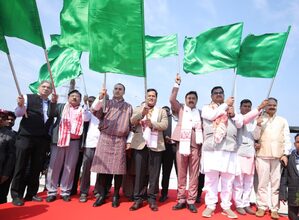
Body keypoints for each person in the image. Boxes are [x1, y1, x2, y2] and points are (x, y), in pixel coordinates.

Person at [201, 86, 243, 219]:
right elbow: (212, 116)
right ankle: (211, 205)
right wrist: (226, 105)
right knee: (211, 179)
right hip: (212, 148)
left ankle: (226, 206)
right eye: (215, 93)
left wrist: (234, 114)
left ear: (224, 95)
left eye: (221, 93)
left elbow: (240, 124)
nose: (218, 95)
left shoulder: (231, 109)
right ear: (211, 96)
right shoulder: (206, 108)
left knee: (228, 180)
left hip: (229, 148)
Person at [11, 80, 54, 206]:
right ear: (39, 88)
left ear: (51, 91)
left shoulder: (52, 104)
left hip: (41, 139)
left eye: (48, 87)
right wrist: (20, 106)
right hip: (25, 137)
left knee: (36, 168)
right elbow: (18, 113)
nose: (46, 89)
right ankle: (16, 195)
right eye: (44, 86)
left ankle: (31, 193)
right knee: (21, 166)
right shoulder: (27, 98)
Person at [91, 83, 133, 208]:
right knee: (104, 170)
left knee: (118, 170)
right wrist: (100, 98)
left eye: (120, 89)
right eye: (116, 89)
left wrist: (129, 140)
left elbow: (132, 126)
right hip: (105, 137)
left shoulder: (128, 107)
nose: (117, 91)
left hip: (120, 139)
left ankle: (116, 195)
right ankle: (103, 194)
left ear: (124, 92)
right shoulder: (106, 103)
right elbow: (94, 111)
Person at [129, 88, 168, 212]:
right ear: (145, 97)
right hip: (141, 144)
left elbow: (164, 125)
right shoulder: (138, 109)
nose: (151, 98)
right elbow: (132, 121)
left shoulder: (161, 111)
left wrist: (153, 124)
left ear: (156, 98)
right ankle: (138, 199)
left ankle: (152, 199)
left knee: (154, 174)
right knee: (139, 173)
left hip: (156, 145)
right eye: (149, 96)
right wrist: (142, 114)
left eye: (153, 96)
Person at [170, 74, 203, 213]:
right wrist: (177, 84)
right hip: (181, 146)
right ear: (185, 100)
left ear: (196, 101)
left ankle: (191, 200)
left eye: (193, 99)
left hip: (195, 147)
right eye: (189, 98)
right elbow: (171, 99)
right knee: (181, 174)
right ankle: (181, 199)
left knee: (194, 176)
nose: (191, 100)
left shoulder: (200, 113)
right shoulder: (181, 109)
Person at [255, 97, 292, 219]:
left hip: (277, 156)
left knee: (276, 184)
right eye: (269, 105)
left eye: (274, 105)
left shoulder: (282, 121)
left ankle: (274, 209)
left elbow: (287, 138)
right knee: (262, 184)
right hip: (262, 154)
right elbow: (254, 136)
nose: (272, 107)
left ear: (277, 106)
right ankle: (261, 207)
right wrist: (258, 125)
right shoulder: (259, 119)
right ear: (265, 106)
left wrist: (285, 154)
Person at [46, 90, 85, 202]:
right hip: (60, 140)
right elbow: (50, 113)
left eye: (77, 96)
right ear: (68, 97)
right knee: (54, 166)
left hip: (74, 141)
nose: (74, 98)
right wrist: (53, 102)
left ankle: (65, 191)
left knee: (70, 167)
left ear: (80, 99)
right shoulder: (61, 107)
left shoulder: (82, 110)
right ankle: (52, 192)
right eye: (72, 96)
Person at [232, 99, 268, 215]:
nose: (247, 108)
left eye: (249, 106)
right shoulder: (237, 118)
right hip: (238, 153)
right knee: (239, 181)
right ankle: (238, 204)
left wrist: (257, 125)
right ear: (240, 107)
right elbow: (241, 124)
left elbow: (256, 136)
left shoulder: (254, 120)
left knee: (249, 181)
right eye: (245, 106)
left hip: (250, 153)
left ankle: (246, 203)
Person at [79, 95, 100, 202]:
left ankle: (98, 191)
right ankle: (84, 191)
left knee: (101, 170)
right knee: (87, 168)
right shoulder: (90, 111)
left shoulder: (107, 112)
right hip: (90, 143)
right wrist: (86, 104)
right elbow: (85, 117)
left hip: (103, 144)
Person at [159, 105, 178, 203]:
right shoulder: (167, 118)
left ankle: (181, 195)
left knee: (180, 173)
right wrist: (164, 137)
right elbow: (160, 131)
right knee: (166, 173)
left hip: (179, 148)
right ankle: (164, 194)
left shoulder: (182, 119)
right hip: (167, 148)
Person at [280, 133, 299, 220]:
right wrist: (283, 195)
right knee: (292, 217)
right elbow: (284, 178)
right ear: (295, 144)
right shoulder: (288, 158)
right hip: (293, 196)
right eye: (298, 142)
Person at [0, 109, 16, 204]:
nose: (1, 119)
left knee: (1, 197)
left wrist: (6, 174)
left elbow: (11, 156)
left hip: (2, 173)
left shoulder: (10, 135)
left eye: (3, 118)